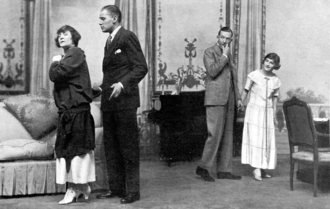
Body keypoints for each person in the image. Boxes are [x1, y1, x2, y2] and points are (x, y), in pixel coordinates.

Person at [94, 5, 148, 204]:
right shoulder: (109, 41)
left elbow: (141, 67)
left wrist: (123, 84)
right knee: (112, 147)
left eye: (102, 18)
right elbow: (114, 72)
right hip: (109, 102)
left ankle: (133, 191)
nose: (99, 22)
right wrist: (100, 87)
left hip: (125, 102)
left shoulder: (127, 36)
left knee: (128, 147)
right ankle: (116, 188)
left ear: (114, 18)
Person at [49, 25, 96, 205]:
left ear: (74, 37)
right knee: (71, 150)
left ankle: (74, 188)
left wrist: (55, 61)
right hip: (70, 112)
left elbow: (56, 73)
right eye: (59, 34)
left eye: (65, 34)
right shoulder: (69, 56)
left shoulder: (75, 52)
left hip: (75, 112)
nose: (61, 37)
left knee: (74, 151)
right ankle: (80, 187)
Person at [196, 27, 243, 182]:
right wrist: (224, 56)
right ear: (218, 37)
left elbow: (234, 78)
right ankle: (203, 167)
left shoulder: (229, 55)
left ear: (231, 40)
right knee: (214, 134)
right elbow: (212, 71)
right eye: (222, 37)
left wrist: (238, 98)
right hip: (215, 98)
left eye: (228, 38)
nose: (225, 41)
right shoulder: (210, 52)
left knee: (228, 135)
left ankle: (224, 170)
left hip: (229, 98)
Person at [240, 53, 282, 181]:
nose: (268, 64)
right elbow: (245, 91)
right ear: (263, 61)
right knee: (255, 139)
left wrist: (274, 115)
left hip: (267, 113)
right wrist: (240, 102)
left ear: (275, 66)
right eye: (267, 61)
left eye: (272, 63)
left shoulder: (276, 80)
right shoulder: (254, 75)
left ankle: (262, 167)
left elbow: (274, 100)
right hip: (254, 111)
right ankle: (256, 169)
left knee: (266, 140)